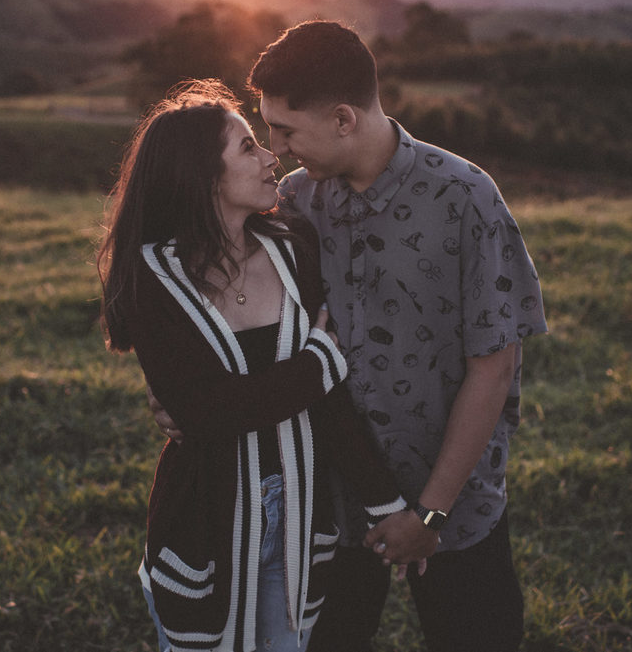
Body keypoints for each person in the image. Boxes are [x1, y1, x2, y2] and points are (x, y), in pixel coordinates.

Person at [245, 20, 550, 652]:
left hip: (455, 501)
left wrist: (430, 513)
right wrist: (182, 395)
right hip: (334, 496)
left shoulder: (465, 197)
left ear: (343, 119)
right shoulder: (294, 202)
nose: (274, 148)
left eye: (286, 130)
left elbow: (492, 368)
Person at [97, 79, 408, 652]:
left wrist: (385, 503)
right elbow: (205, 414)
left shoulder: (294, 247)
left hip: (299, 515)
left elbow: (328, 404)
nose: (272, 157)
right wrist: (317, 365)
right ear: (202, 176)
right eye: (248, 147)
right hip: (205, 523)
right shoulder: (153, 278)